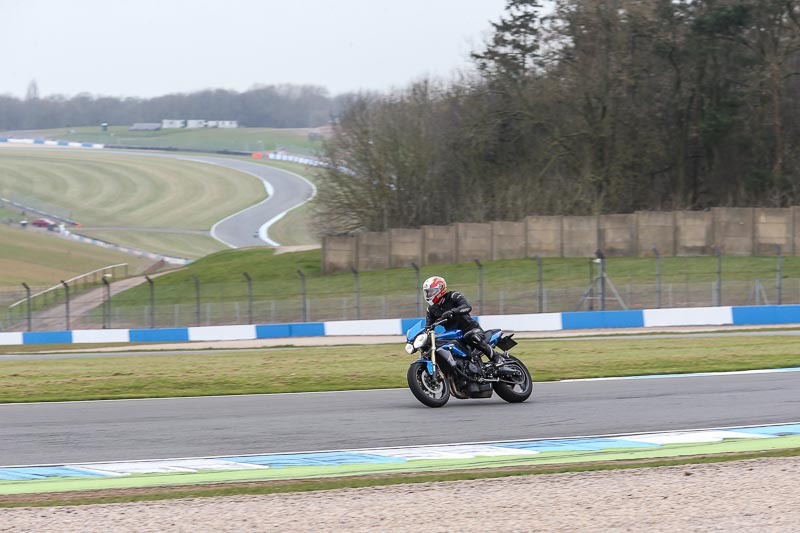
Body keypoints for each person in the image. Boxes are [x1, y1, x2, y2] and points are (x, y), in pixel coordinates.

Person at [422, 275, 504, 365]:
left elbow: (467, 307)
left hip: (471, 329)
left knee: (471, 336)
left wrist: (453, 311)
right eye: (427, 292)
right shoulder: (431, 309)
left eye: (431, 292)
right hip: (454, 336)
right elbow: (428, 327)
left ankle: (497, 357)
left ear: (440, 289)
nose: (428, 294)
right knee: (434, 345)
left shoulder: (453, 296)